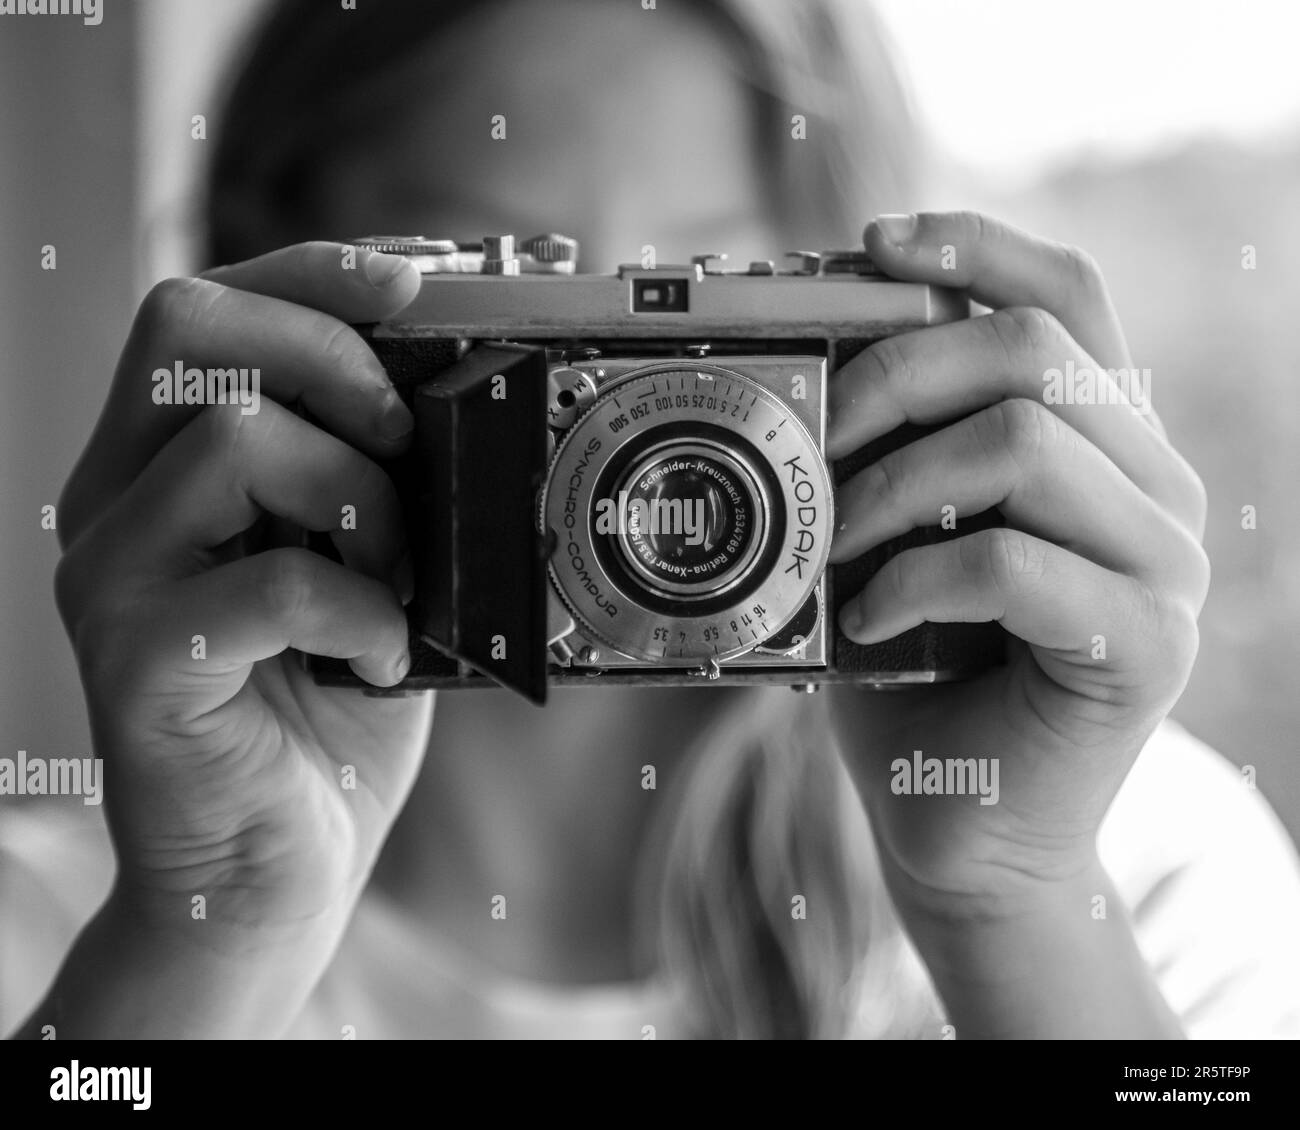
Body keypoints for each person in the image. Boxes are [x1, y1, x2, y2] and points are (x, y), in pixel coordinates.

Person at [8, 0, 1300, 1039]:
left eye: (715, 303)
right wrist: (216, 925)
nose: (625, 426)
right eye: (520, 288)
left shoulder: (1137, 870)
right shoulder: (64, 939)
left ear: (887, 332)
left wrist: (1011, 898)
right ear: (267, 299)